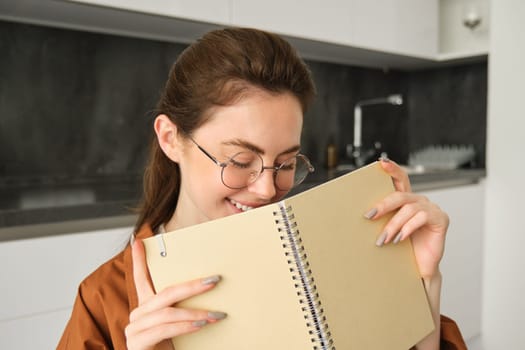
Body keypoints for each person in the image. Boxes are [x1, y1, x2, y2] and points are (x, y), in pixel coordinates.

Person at [57, 27, 467, 350]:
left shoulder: (322, 264)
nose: (268, 188)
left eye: (286, 163)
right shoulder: (104, 301)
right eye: (239, 162)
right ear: (170, 139)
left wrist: (422, 285)